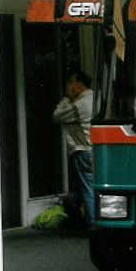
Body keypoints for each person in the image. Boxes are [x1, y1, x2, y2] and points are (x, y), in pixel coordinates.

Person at [52, 69, 94, 225]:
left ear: (79, 84)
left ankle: (93, 225)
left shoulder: (79, 104)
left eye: (71, 82)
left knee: (88, 190)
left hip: (83, 150)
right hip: (95, 149)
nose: (69, 86)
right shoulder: (95, 98)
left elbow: (57, 116)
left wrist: (66, 98)